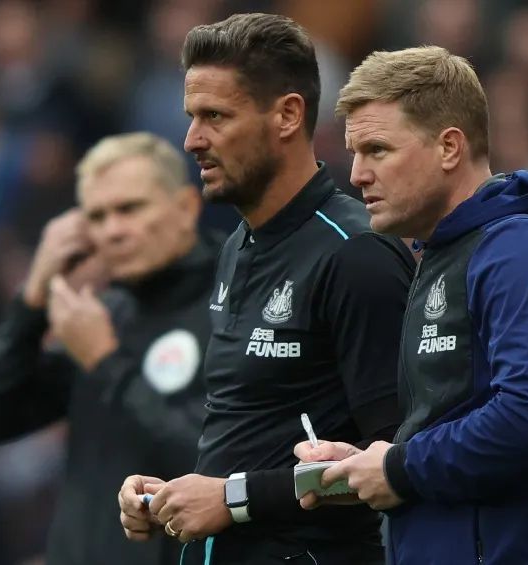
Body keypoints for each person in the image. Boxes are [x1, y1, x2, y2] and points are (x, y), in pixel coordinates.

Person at [295, 46, 528, 565]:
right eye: (355, 152)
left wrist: (400, 468)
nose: (356, 174)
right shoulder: (442, 257)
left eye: (377, 150)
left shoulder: (525, 250)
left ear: (449, 147)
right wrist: (366, 467)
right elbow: (452, 439)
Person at [117, 13, 415, 565]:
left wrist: (233, 500)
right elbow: (254, 433)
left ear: (287, 114)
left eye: (215, 117)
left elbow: (397, 464)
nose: (191, 140)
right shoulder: (236, 246)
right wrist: (173, 494)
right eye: (191, 117)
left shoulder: (355, 253)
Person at [0, 132, 222, 565]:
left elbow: (209, 458)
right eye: (97, 217)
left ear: (186, 208)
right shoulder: (108, 314)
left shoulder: (229, 301)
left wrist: (105, 362)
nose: (112, 231)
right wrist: (33, 297)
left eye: (130, 209)